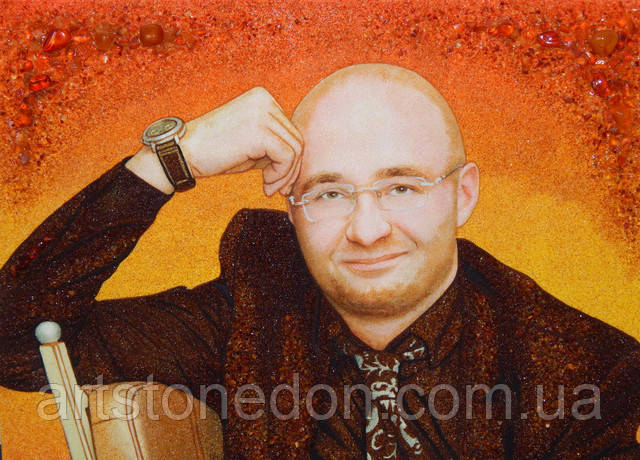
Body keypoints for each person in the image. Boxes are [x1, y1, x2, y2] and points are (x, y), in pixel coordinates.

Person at [1, 63, 639, 459]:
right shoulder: (252, 311)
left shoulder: (582, 370)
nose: (367, 230)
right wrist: (173, 160)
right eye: (330, 193)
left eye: (402, 187)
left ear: (462, 195)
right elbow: (15, 343)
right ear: (292, 209)